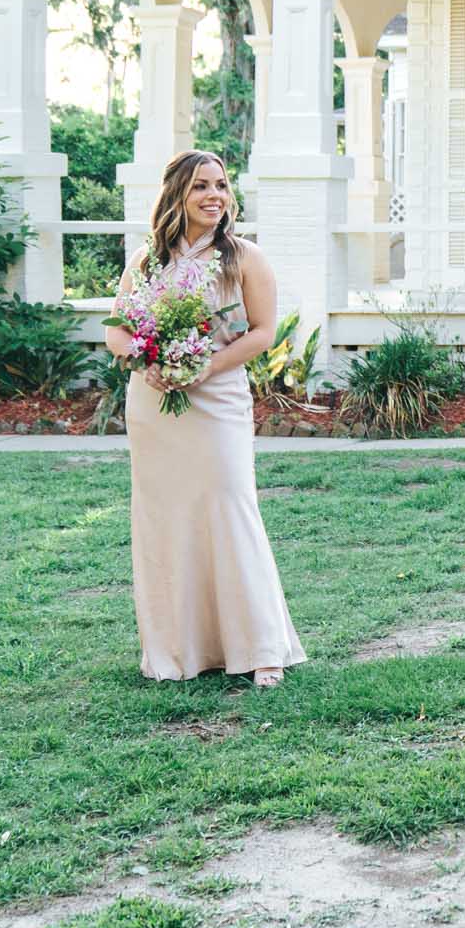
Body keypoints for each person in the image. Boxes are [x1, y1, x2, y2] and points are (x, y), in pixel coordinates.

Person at [104, 150, 306, 688]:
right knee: (165, 517)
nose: (215, 196)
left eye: (221, 185)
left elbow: (262, 331)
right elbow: (118, 330)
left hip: (217, 400)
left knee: (230, 506)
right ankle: (181, 650)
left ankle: (263, 648)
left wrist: (203, 366)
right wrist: (146, 363)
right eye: (201, 187)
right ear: (177, 194)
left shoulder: (243, 258)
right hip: (154, 404)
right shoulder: (147, 260)